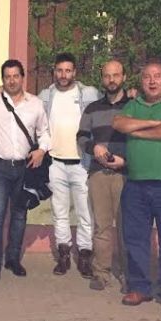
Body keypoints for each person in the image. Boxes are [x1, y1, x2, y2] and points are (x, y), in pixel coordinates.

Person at [113, 62, 161, 317]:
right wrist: (155, 123)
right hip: (136, 184)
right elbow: (119, 123)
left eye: (157, 76)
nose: (152, 81)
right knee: (135, 239)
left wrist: (139, 131)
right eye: (147, 77)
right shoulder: (133, 104)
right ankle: (140, 287)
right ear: (141, 81)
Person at [0, 59, 49, 282]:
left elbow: (45, 132)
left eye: (15, 76)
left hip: (25, 167)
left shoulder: (36, 104)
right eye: (7, 77)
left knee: (20, 214)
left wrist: (41, 150)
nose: (11, 80)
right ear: (2, 79)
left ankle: (12, 259)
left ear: (22, 78)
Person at [38, 53, 99, 278]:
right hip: (55, 163)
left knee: (85, 212)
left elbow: (106, 109)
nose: (63, 75)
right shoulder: (46, 95)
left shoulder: (88, 93)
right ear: (54, 71)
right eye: (59, 70)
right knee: (60, 212)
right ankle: (63, 255)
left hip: (82, 163)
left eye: (68, 70)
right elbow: (35, 117)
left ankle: (84, 256)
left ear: (75, 72)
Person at [77, 60, 129, 291]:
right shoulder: (92, 108)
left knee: (127, 227)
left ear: (124, 77)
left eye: (116, 75)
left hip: (126, 175)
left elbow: (142, 139)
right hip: (98, 173)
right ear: (102, 79)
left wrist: (125, 160)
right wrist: (93, 148)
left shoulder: (135, 107)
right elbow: (81, 136)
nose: (111, 80)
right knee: (102, 226)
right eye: (107, 76)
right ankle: (101, 273)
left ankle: (129, 275)